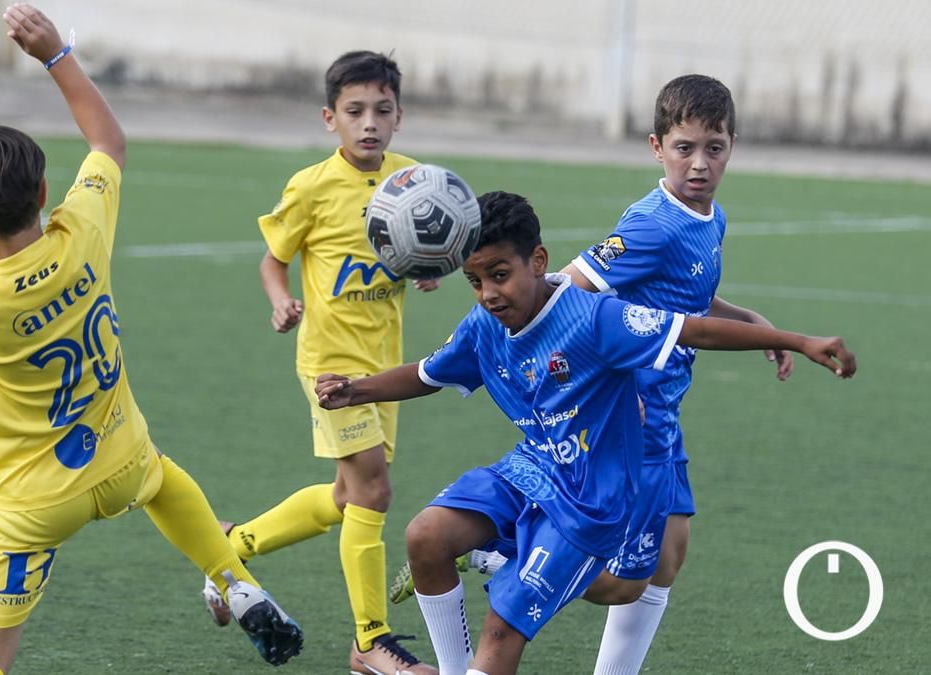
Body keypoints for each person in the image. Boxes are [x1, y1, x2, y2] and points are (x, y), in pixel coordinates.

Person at [0, 5, 302, 673]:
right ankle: (231, 576)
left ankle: (227, 576)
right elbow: (109, 141)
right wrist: (54, 54)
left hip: (34, 503)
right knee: (159, 476)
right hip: (120, 454)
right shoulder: (82, 230)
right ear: (45, 188)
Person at [316, 191, 855, 675]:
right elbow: (428, 373)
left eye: (500, 275)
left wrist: (797, 338)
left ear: (539, 262)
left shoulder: (595, 319)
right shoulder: (484, 325)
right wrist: (355, 390)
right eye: (475, 281)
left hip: (592, 503)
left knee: (520, 626)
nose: (487, 294)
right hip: (533, 468)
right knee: (425, 537)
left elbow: (695, 328)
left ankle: (500, 577)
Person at [391, 74, 785, 674]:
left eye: (714, 148)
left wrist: (753, 322)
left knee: (669, 558)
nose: (699, 164)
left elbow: (688, 298)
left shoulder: (710, 217)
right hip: (632, 415)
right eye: (685, 148)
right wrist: (536, 353)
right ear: (658, 148)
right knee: (620, 583)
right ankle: (507, 553)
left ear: (733, 145)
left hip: (665, 408)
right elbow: (570, 288)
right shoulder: (650, 224)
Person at [200, 49, 437, 674]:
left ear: (399, 117)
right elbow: (272, 260)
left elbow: (426, 249)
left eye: (381, 112)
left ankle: (230, 547)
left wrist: (428, 269)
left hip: (385, 368)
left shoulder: (413, 180)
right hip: (330, 366)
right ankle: (371, 641)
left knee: (345, 497)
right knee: (375, 491)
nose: (369, 124)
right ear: (328, 117)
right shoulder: (310, 186)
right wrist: (281, 301)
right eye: (354, 111)